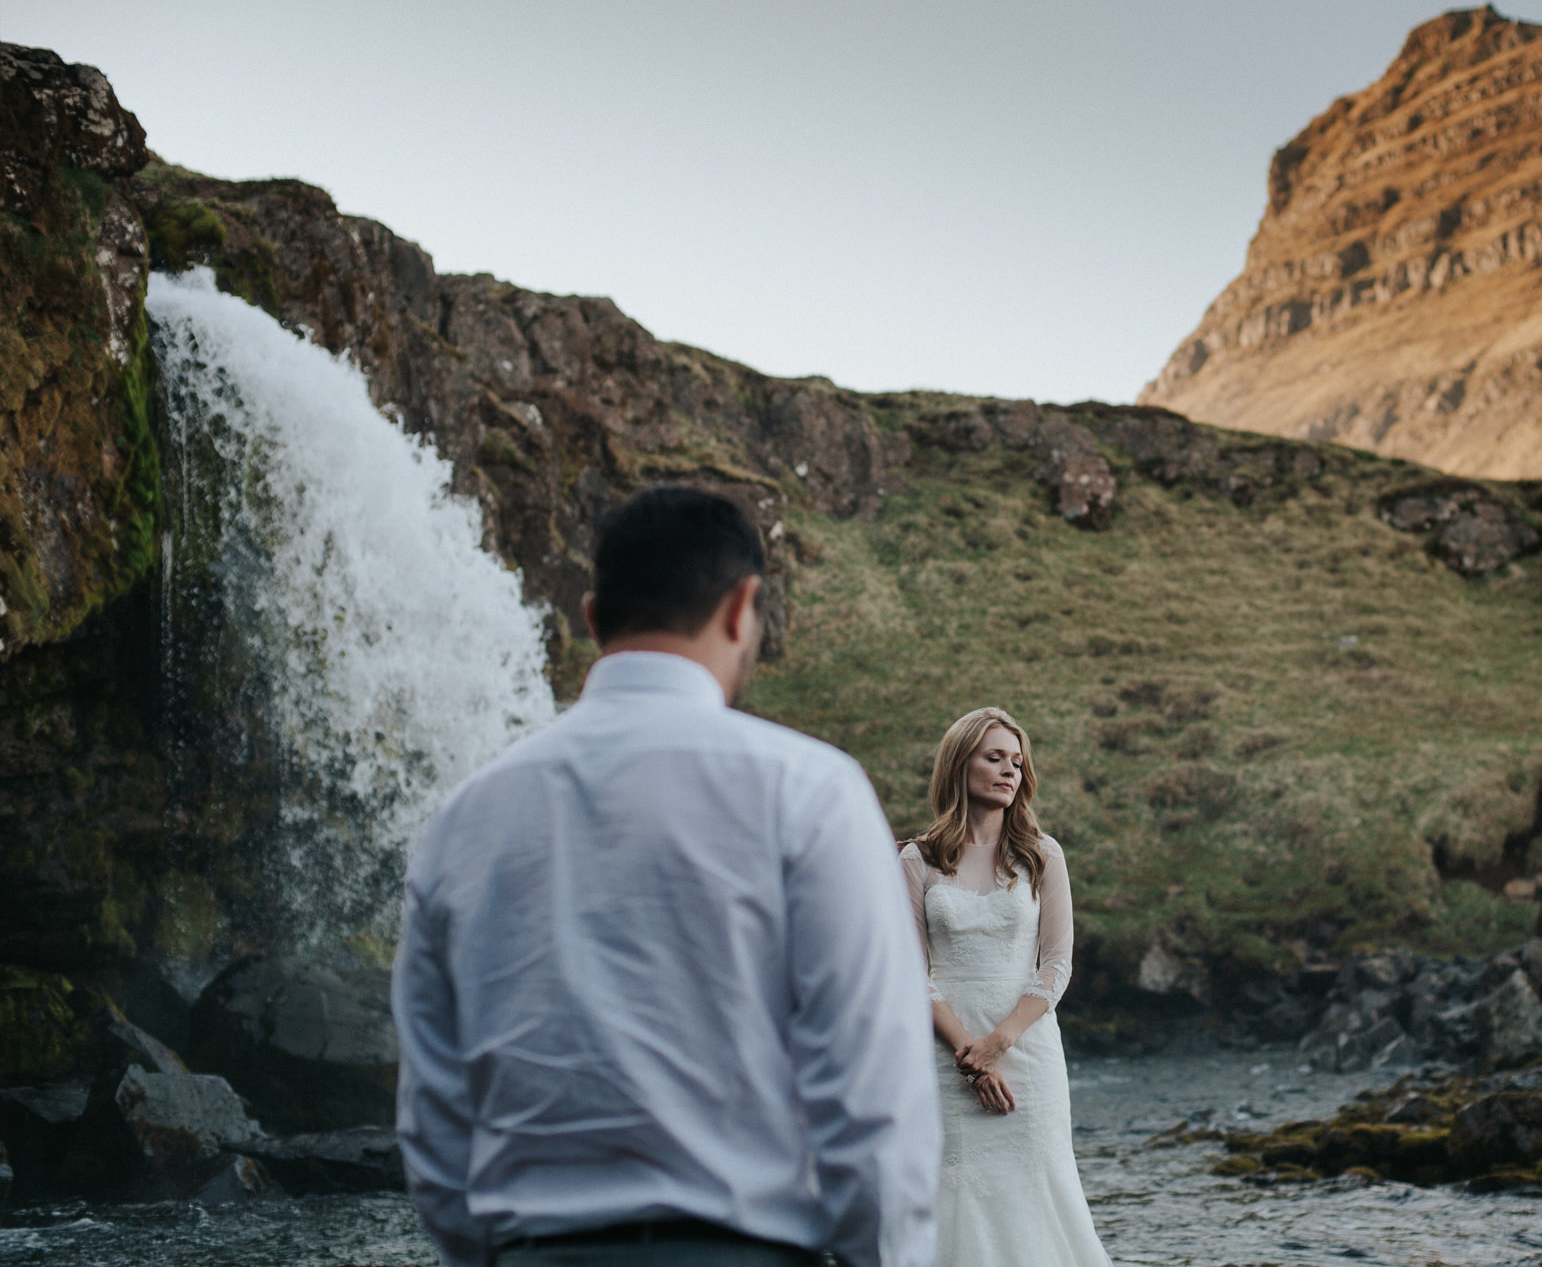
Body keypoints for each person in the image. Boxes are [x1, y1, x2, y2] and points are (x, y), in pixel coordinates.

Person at [393, 486, 940, 1267]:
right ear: (741, 607)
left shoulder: (461, 820)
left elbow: (432, 1119)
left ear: (592, 618)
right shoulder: (811, 792)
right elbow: (872, 1096)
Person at [898, 708, 1111, 1267]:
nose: (1008, 770)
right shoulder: (917, 860)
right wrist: (968, 1053)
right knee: (955, 1186)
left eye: (1017, 761)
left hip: (1028, 1050)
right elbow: (906, 969)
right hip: (947, 1053)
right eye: (994, 757)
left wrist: (1000, 1044)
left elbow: (1057, 965)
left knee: (1039, 1187)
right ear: (959, 762)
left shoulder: (1043, 854)